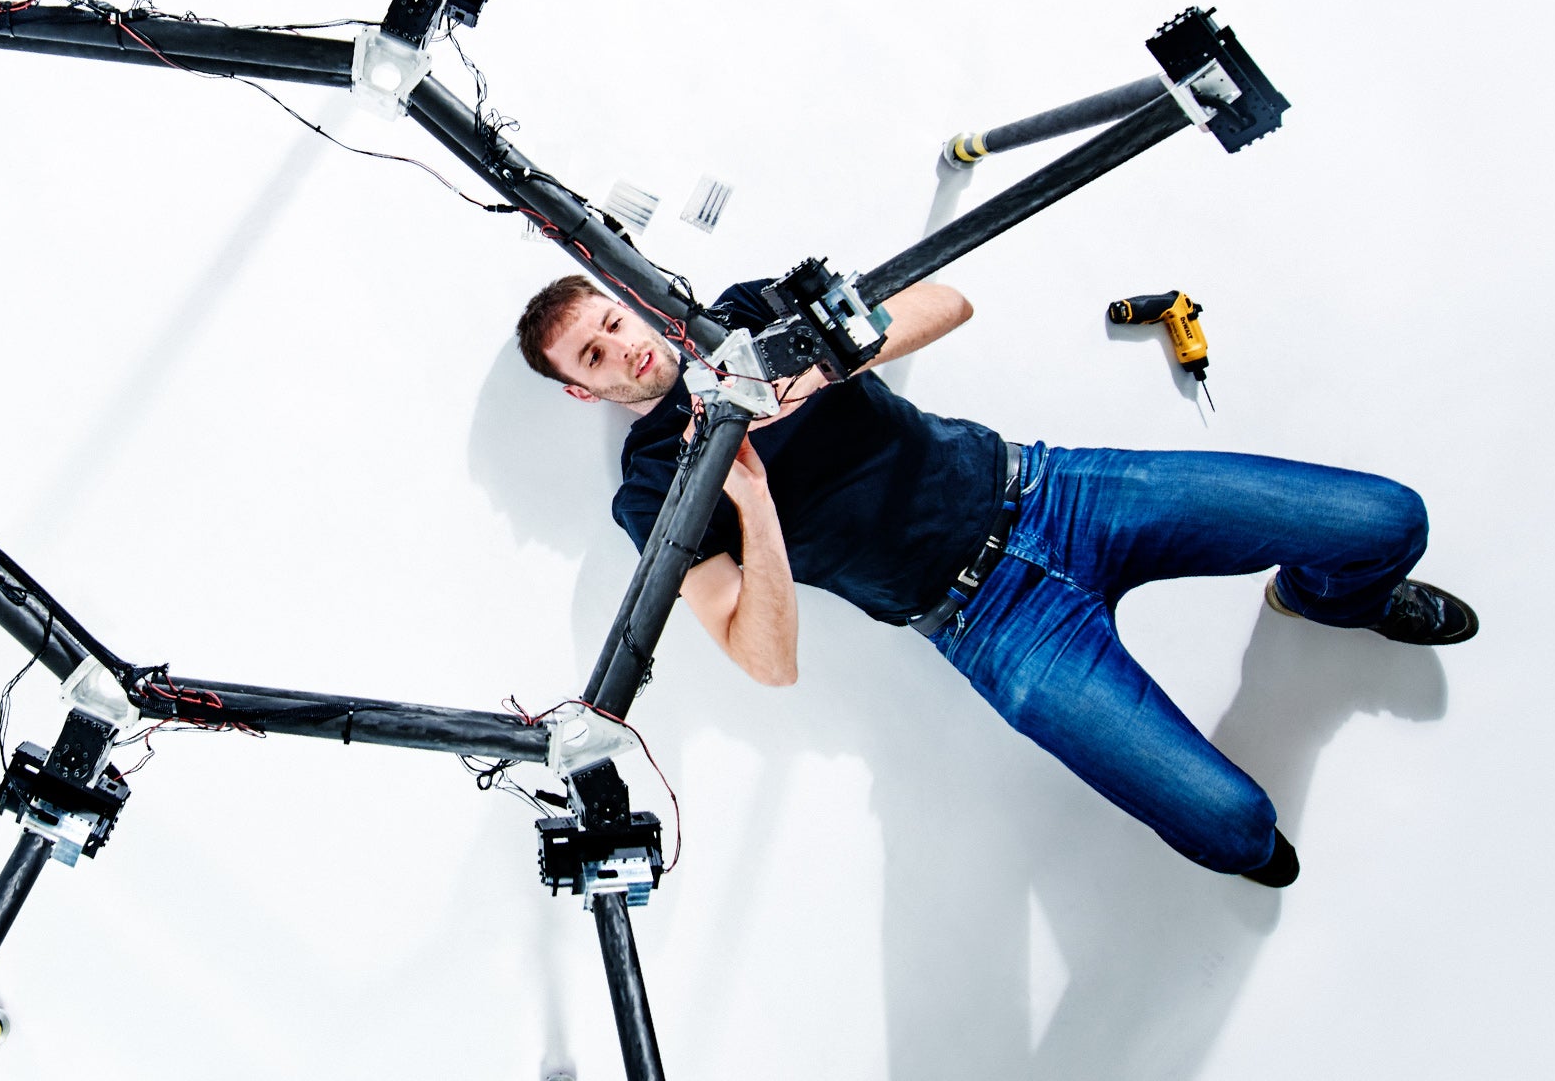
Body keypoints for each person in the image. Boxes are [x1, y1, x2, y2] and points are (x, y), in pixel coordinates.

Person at [514, 273, 1478, 886]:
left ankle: (1321, 598)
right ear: (580, 389)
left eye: (614, 319)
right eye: (593, 355)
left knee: (1390, 520)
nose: (625, 346)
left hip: (1062, 490)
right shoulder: (654, 491)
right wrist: (751, 500)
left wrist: (816, 370)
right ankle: (1248, 800)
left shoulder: (746, 318)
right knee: (1239, 834)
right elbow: (765, 663)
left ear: (630, 298)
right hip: (992, 626)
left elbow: (944, 299)